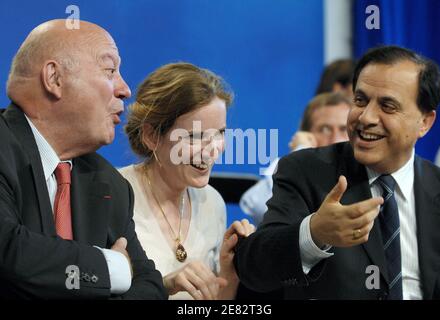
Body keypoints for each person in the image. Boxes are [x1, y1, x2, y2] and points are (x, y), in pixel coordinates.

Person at [234, 45, 440, 299]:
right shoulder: (305, 171)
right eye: (360, 100)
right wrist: (314, 234)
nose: (366, 117)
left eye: (387, 106)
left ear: (424, 122)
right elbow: (254, 268)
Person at [0, 19, 166, 299]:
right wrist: (112, 268)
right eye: (110, 70)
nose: (125, 89)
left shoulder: (111, 184)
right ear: (55, 78)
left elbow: (150, 285)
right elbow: (8, 250)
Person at [119, 62, 255, 300]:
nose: (212, 150)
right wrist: (164, 286)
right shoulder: (114, 195)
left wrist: (230, 269)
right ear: (152, 136)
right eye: (195, 136)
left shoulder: (212, 202)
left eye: (220, 133)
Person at [240, 92, 351, 225]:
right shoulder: (292, 166)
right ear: (306, 134)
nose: (335, 139)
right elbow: (256, 205)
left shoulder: (365, 172)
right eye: (325, 129)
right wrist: (302, 155)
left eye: (344, 129)